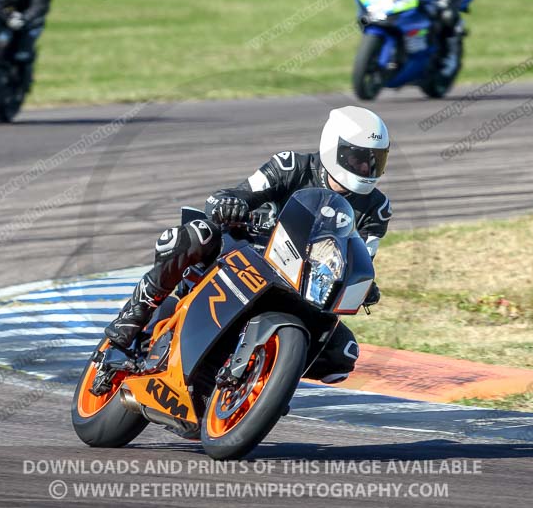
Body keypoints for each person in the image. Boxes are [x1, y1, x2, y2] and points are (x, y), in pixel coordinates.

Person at [105, 106, 393, 384]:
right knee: (193, 236)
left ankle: (265, 379)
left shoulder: (377, 208)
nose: (366, 168)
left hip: (306, 285)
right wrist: (230, 203)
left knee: (342, 356)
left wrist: (364, 285)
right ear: (334, 148)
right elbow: (238, 193)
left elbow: (362, 259)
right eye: (358, 159)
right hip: (250, 251)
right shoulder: (291, 166)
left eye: (374, 161)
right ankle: (129, 325)